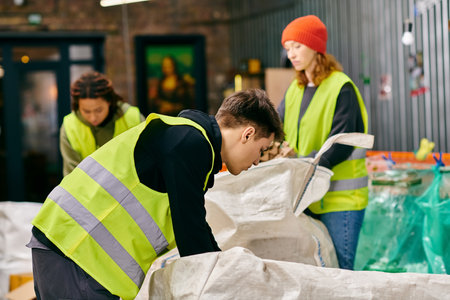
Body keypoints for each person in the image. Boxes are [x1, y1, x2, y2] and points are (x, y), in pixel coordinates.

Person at [27, 88, 284, 300]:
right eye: (261, 150)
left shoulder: (185, 138)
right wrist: (236, 281)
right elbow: (192, 233)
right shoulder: (190, 142)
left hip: (74, 250)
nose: (258, 161)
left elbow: (194, 228)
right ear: (247, 134)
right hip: (76, 252)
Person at [278, 15, 369, 270]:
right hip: (307, 197)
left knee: (340, 270)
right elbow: (278, 127)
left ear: (316, 47)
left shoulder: (341, 87)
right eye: (288, 48)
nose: (291, 54)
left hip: (341, 200)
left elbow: (342, 143)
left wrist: (303, 164)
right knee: (315, 268)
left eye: (297, 46)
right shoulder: (294, 89)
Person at [60, 71, 145, 176]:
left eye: (99, 110)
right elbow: (71, 176)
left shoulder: (133, 118)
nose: (93, 117)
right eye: (86, 111)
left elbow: (147, 162)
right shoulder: (69, 127)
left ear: (109, 102)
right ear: (77, 106)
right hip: (88, 192)